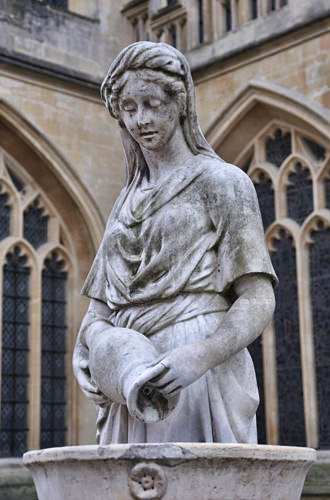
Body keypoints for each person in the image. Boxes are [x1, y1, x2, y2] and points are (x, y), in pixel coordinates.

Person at [73, 41, 277, 445]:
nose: (140, 119)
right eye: (128, 108)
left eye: (151, 103)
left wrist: (200, 356)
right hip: (126, 374)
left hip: (192, 369)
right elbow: (100, 309)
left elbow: (258, 297)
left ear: (179, 101)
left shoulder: (222, 182)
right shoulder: (125, 201)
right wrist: (87, 352)